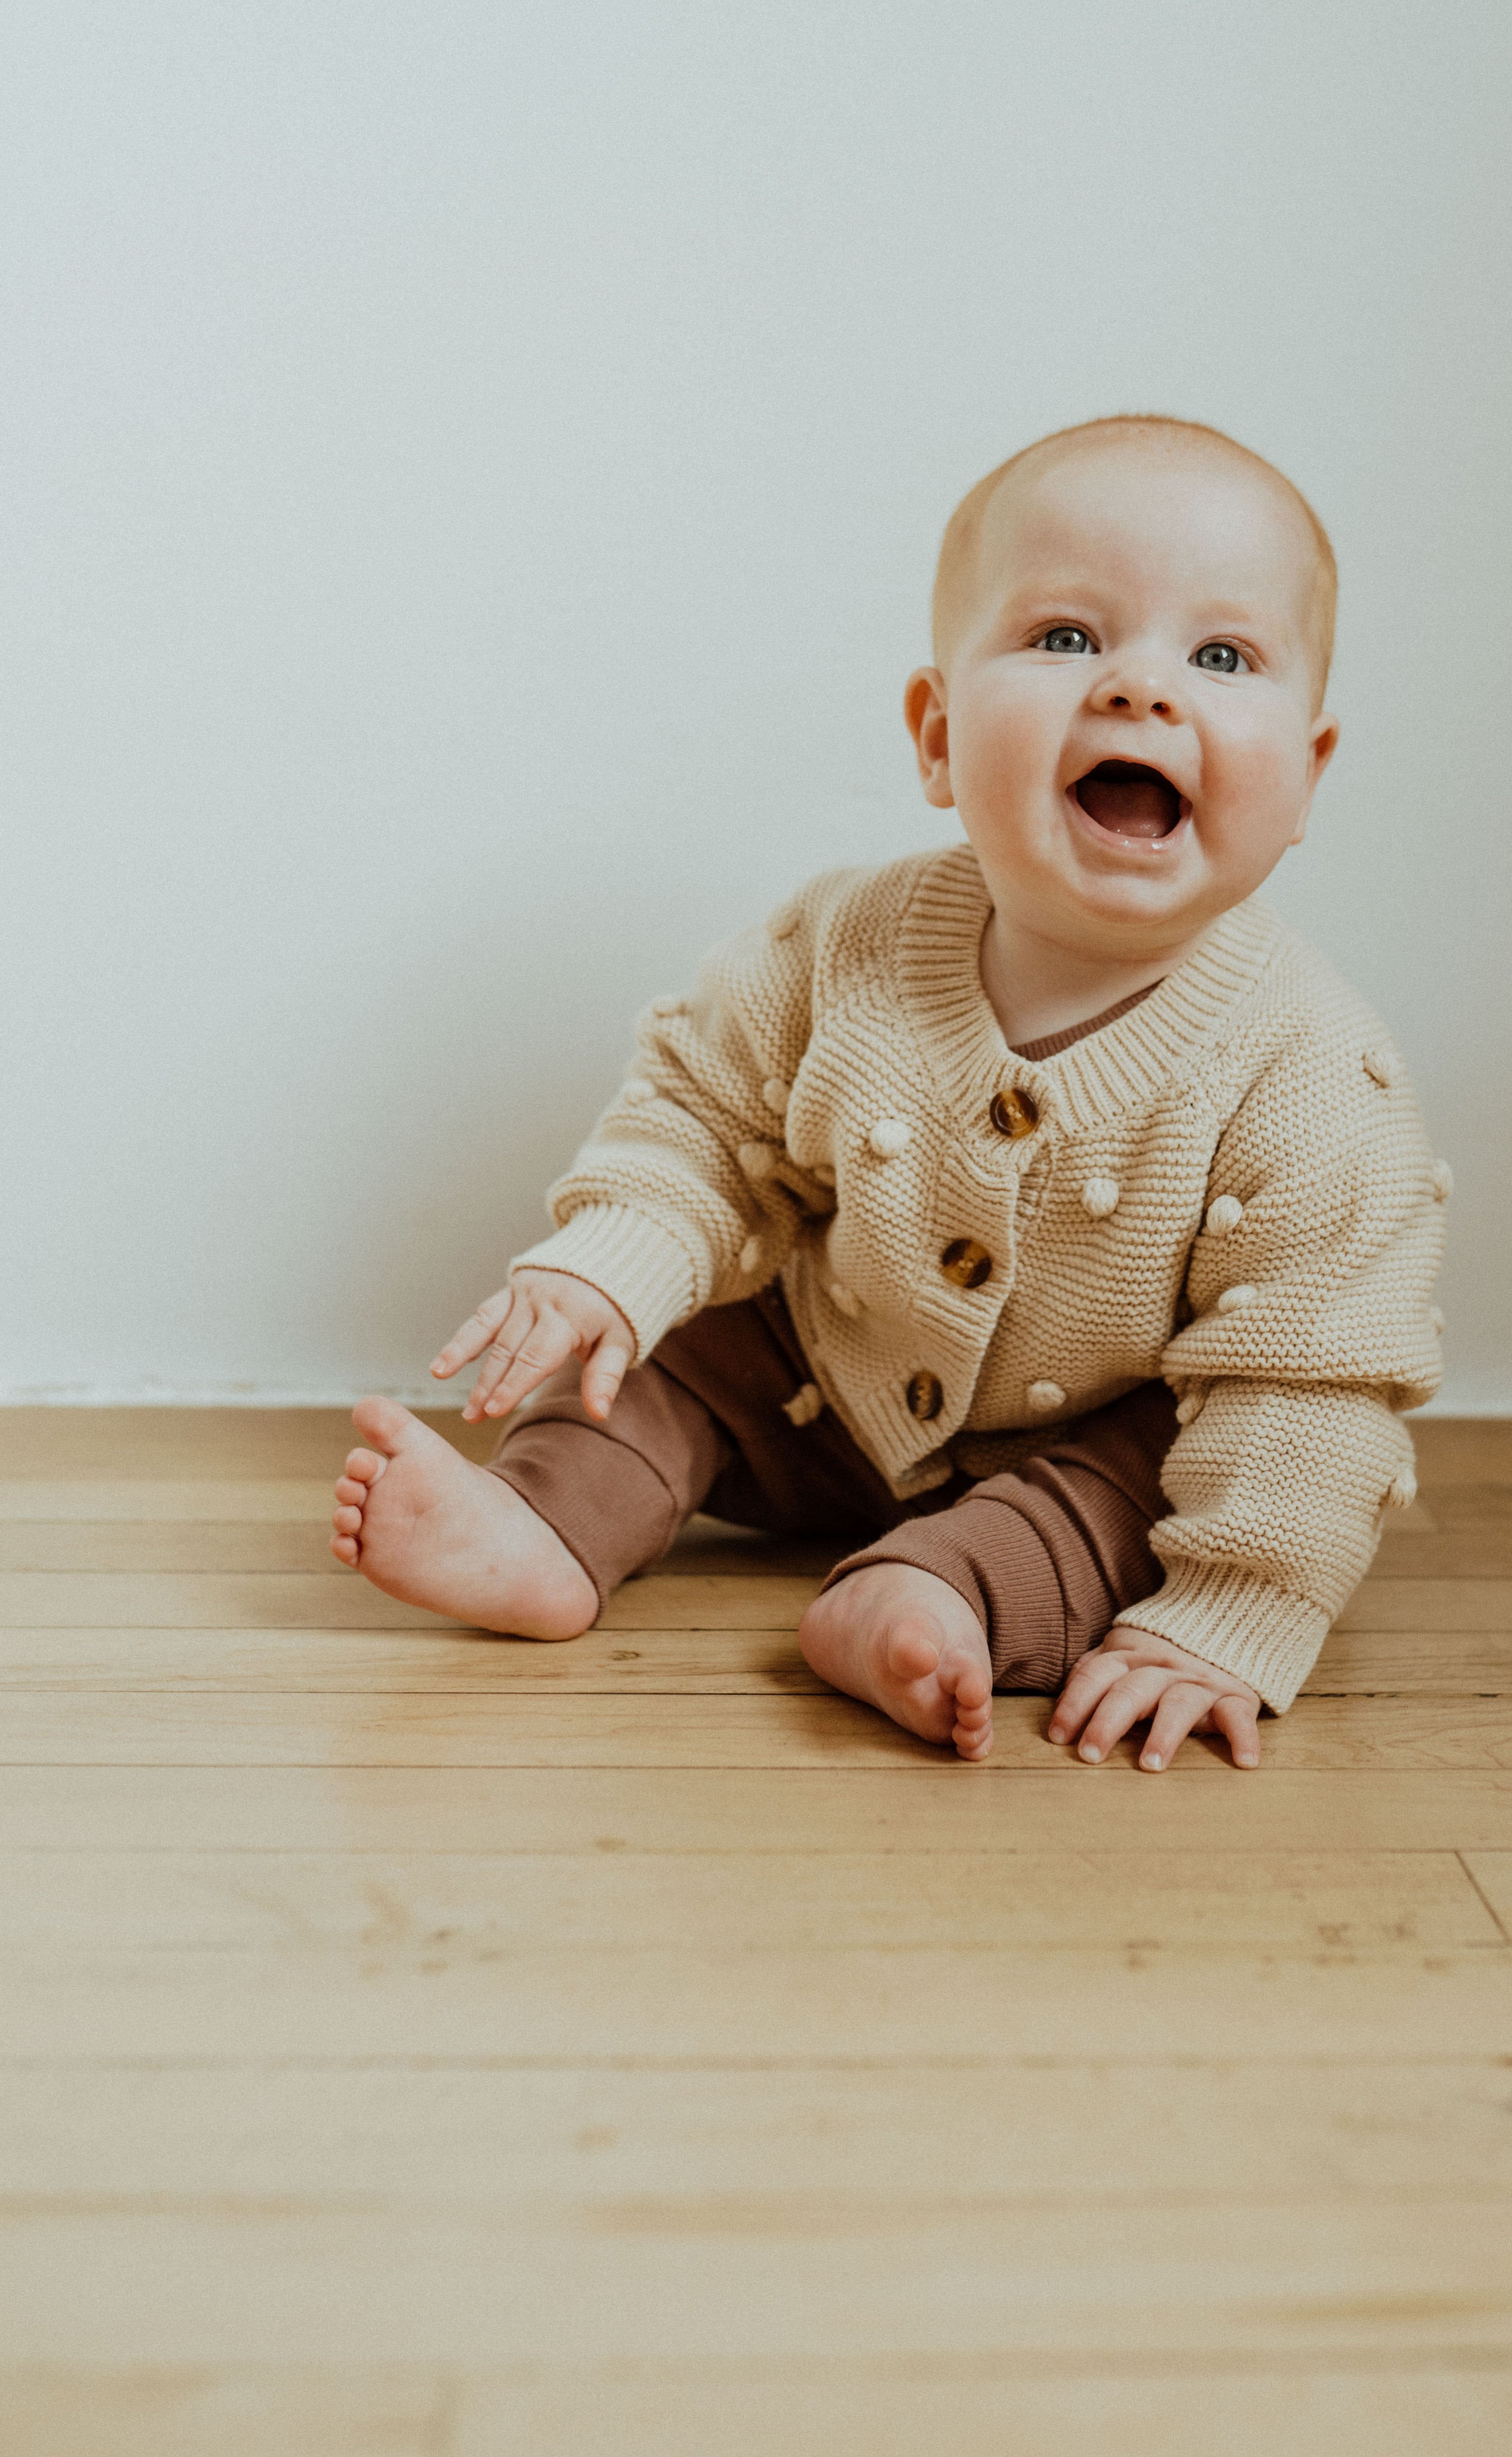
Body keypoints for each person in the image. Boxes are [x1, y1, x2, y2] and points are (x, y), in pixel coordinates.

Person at [328, 415, 1447, 1770]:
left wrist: (1224, 1617)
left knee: (1154, 1477)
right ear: (935, 735)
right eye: (1066, 638)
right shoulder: (840, 949)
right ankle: (547, 1529)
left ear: (1307, 777)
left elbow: (1308, 1388)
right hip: (815, 1377)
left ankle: (929, 1598)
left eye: (1220, 658)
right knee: (656, 1356)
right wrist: (617, 1263)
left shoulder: (1314, 1073)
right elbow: (708, 1123)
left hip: (1085, 1441)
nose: (1142, 691)